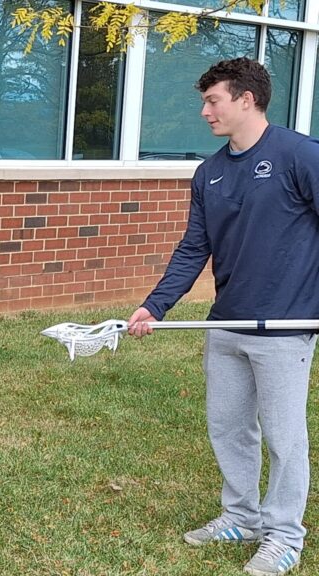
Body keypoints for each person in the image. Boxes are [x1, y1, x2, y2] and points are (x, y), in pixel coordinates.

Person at [128, 57, 319, 576]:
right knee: (229, 428)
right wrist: (156, 304)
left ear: (246, 99)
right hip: (225, 322)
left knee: (284, 438)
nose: (204, 110)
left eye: (213, 100)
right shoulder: (209, 172)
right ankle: (241, 516)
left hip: (285, 325)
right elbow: (195, 248)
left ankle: (283, 535)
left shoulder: (300, 155)